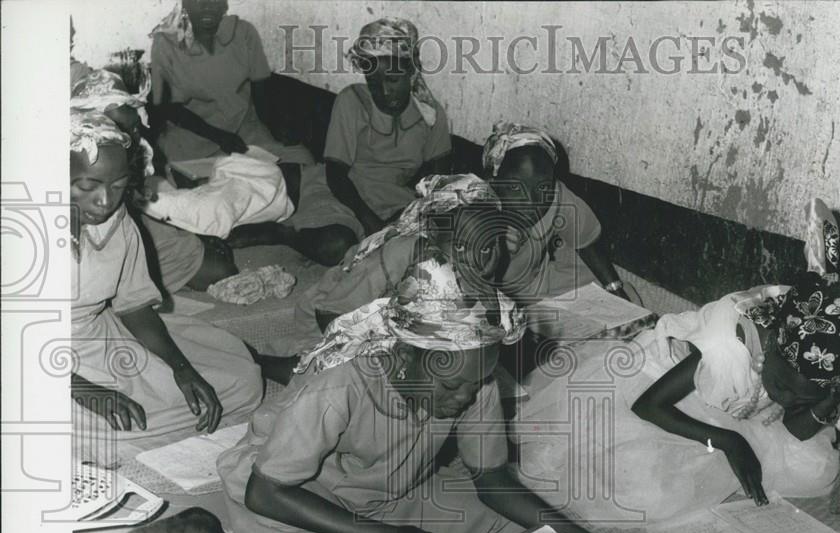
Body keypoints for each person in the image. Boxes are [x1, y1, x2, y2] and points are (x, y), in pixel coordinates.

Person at [97, 258, 645, 533]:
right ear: (407, 354)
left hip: (388, 492)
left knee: (526, 529)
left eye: (474, 384)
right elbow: (269, 489)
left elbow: (492, 479)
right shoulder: (341, 383)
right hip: (294, 501)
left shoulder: (471, 375)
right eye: (452, 386)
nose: (464, 399)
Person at [511, 199, 840, 526]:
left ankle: (715, 452)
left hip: (735, 409)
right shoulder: (725, 344)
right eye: (789, 386)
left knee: (816, 470)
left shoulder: (804, 364)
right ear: (776, 343)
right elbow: (648, 405)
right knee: (640, 492)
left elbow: (792, 425)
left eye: (803, 394)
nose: (789, 396)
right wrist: (728, 441)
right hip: (656, 387)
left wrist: (826, 404)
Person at [69, 111, 263, 465]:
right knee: (106, 435)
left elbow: (133, 306)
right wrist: (86, 391)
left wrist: (181, 368)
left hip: (100, 338)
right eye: (87, 187)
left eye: (118, 186)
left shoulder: (119, 221)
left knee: (243, 381)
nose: (104, 201)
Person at [148, 0, 346, 264]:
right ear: (185, 5)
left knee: (297, 164)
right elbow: (165, 105)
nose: (206, 8)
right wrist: (217, 135)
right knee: (210, 182)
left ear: (224, 5)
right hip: (192, 135)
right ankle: (215, 218)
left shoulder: (244, 34)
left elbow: (261, 85)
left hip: (245, 126)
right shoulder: (166, 42)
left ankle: (242, 222)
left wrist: (275, 126)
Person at [258, 174, 504, 373]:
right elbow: (331, 314)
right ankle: (264, 364)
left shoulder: (482, 264)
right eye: (461, 246)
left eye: (489, 246)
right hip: (340, 315)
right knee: (336, 374)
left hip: (407, 327)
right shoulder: (401, 253)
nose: (477, 260)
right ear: (431, 232)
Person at [71, 65, 237, 293]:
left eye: (133, 128)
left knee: (219, 269)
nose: (130, 139)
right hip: (95, 232)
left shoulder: (134, 148)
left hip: (128, 219)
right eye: (117, 128)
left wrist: (188, 233)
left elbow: (131, 202)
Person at [319, 18, 453, 263]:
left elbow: (438, 181)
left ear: (411, 72)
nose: (384, 91)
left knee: (418, 247)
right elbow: (335, 173)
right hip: (345, 193)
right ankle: (282, 233)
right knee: (335, 246)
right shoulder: (352, 101)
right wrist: (368, 219)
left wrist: (421, 219)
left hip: (393, 199)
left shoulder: (431, 115)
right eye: (373, 82)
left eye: (393, 80)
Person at [482, 121, 636, 304]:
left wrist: (614, 288)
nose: (531, 201)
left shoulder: (556, 195)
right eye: (515, 187)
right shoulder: (475, 207)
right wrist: (494, 244)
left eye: (543, 186)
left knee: (614, 294)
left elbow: (585, 242)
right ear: (492, 181)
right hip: (486, 292)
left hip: (532, 284)